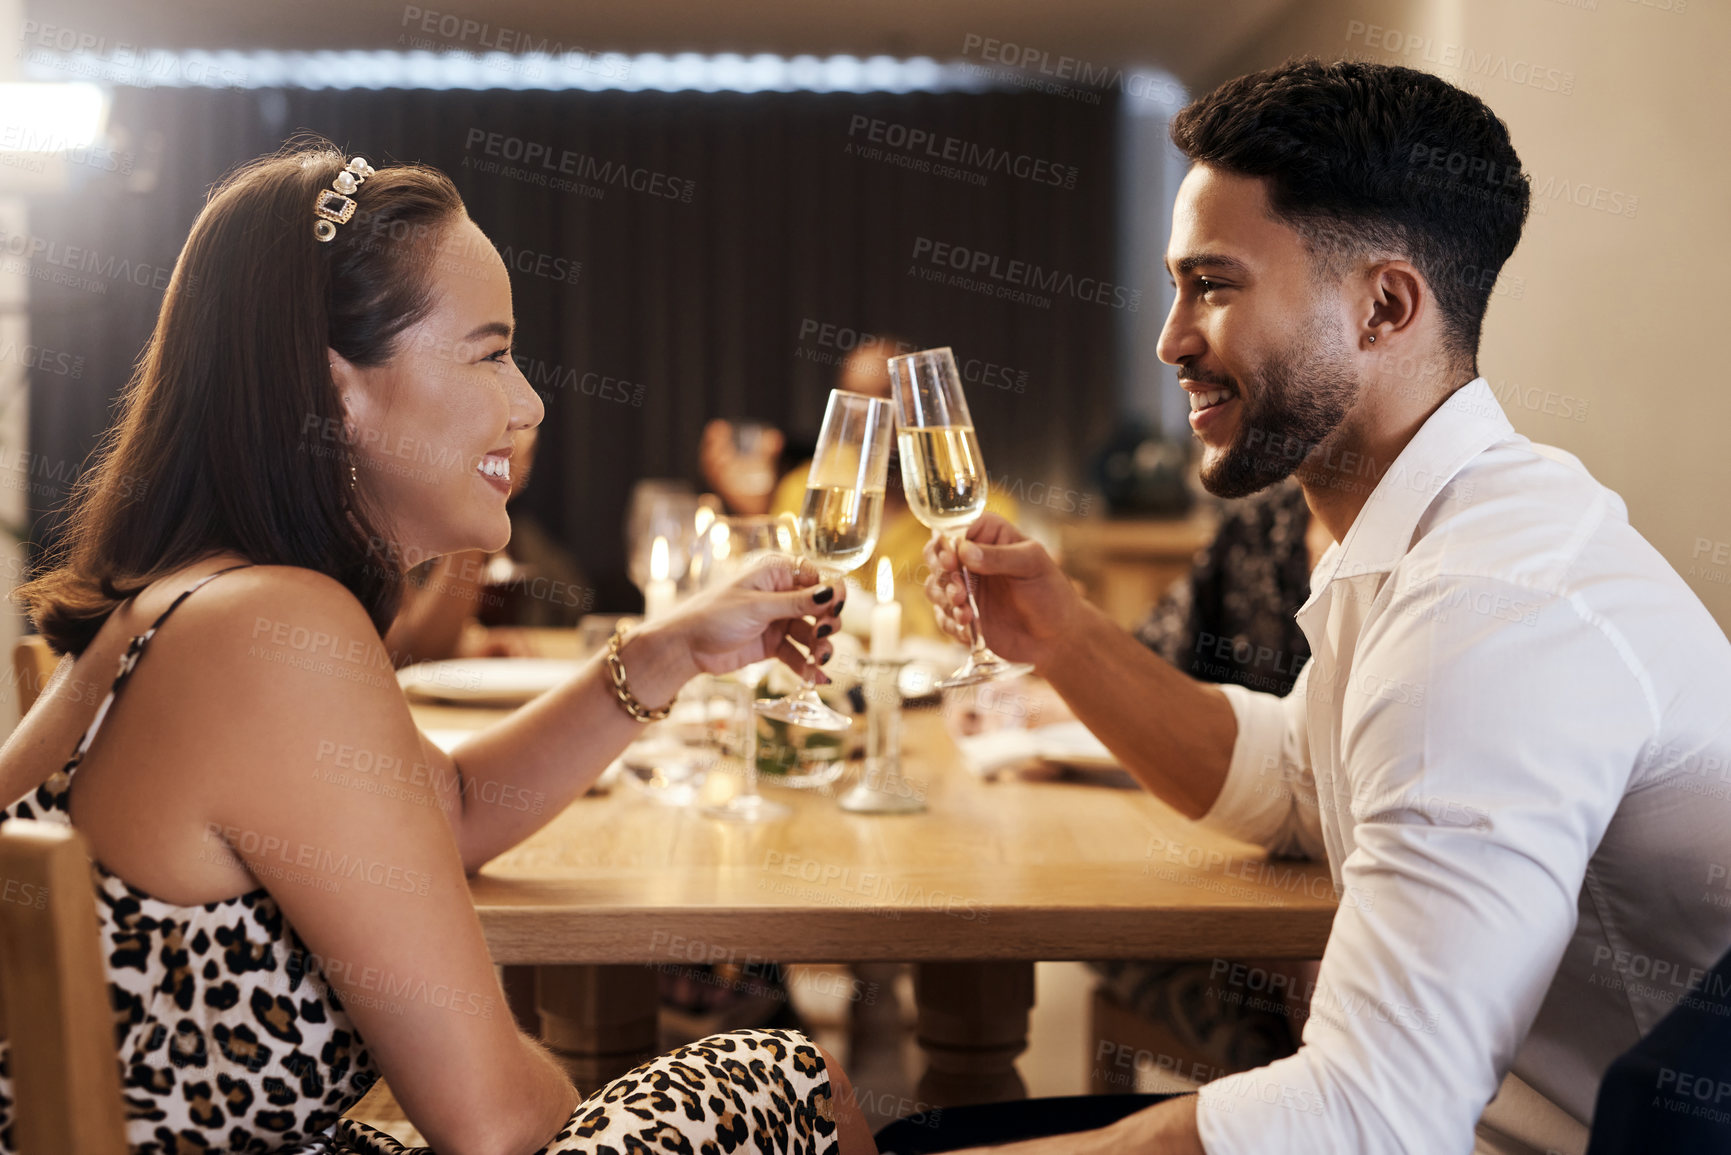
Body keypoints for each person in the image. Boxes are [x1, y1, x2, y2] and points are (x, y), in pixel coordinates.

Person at [908, 59, 1731, 1154]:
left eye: (1213, 285)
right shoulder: (1433, 531)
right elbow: (1298, 780)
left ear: (1384, 306)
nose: (1170, 339)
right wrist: (1058, 632)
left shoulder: (1487, 611)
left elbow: (1369, 1120)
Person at [0, 144, 874, 1155]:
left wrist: (671, 652)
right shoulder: (264, 634)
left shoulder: (203, 604)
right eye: (489, 352)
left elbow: (444, 812)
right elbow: (493, 1123)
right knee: (785, 1076)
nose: (530, 402)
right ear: (337, 393)